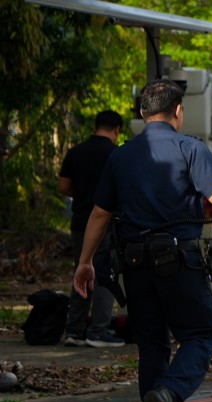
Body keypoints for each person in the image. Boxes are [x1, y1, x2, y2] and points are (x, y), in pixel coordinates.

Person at [73, 79, 212, 402]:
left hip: (135, 264)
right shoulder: (189, 148)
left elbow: (99, 213)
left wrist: (85, 262)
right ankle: (170, 393)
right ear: (178, 111)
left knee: (151, 346)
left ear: (142, 113)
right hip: (180, 261)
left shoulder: (120, 156)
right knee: (201, 335)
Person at [59, 110, 124, 348]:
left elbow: (63, 186)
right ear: (117, 130)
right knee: (105, 274)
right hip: (106, 224)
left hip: (79, 223)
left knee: (81, 270)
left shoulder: (75, 152)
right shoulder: (116, 154)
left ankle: (73, 330)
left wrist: (82, 194)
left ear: (95, 127)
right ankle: (98, 331)